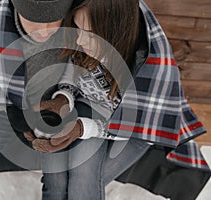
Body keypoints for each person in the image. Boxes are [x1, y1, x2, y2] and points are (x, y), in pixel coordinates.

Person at [23, 0, 211, 199]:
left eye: (88, 33)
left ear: (114, 31)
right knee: (56, 176)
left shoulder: (143, 68)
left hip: (135, 131)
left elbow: (136, 124)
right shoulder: (87, 45)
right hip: (90, 106)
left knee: (83, 180)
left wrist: (82, 128)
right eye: (78, 29)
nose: (79, 40)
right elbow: (73, 67)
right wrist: (63, 97)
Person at [0, 0, 86, 199]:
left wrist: (62, 99)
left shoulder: (73, 28)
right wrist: (10, 109)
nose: (45, 31)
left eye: (53, 21)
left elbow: (79, 68)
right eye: (35, 23)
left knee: (58, 187)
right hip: (2, 106)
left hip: (51, 108)